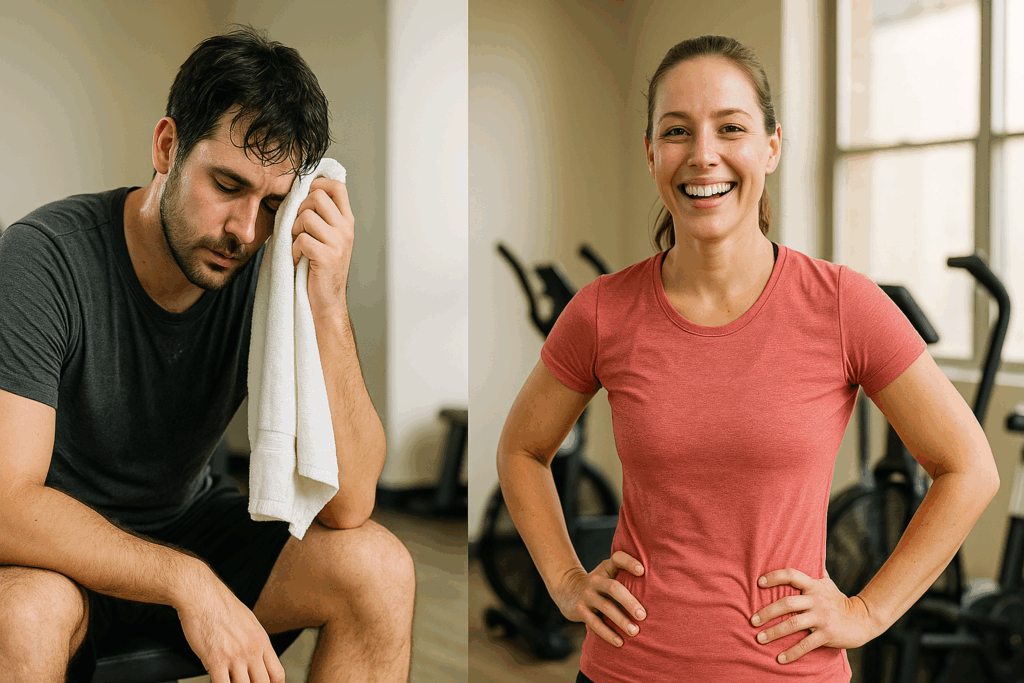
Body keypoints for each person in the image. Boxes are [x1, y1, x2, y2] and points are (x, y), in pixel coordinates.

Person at [496, 35, 999, 682]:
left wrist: (868, 611)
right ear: (651, 153)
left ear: (772, 146)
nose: (703, 154)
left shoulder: (844, 304)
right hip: (628, 667)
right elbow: (521, 448)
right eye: (677, 131)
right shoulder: (602, 310)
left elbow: (969, 467)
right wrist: (566, 580)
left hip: (791, 672)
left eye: (730, 127)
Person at [0, 27, 414, 683]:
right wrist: (185, 579)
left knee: (380, 567)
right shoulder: (41, 258)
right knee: (24, 611)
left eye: (272, 204)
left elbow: (351, 502)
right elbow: (8, 503)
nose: (245, 231)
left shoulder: (268, 273)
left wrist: (328, 299)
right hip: (54, 551)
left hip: (186, 520)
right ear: (167, 147)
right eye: (227, 184)